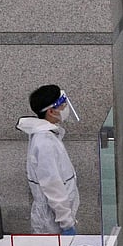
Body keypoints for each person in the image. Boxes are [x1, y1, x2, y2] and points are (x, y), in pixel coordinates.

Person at [17, 84, 80, 235]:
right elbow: (53, 186)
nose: (66, 107)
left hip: (56, 218)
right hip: (52, 223)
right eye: (63, 104)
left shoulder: (48, 136)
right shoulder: (45, 143)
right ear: (51, 111)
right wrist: (66, 223)